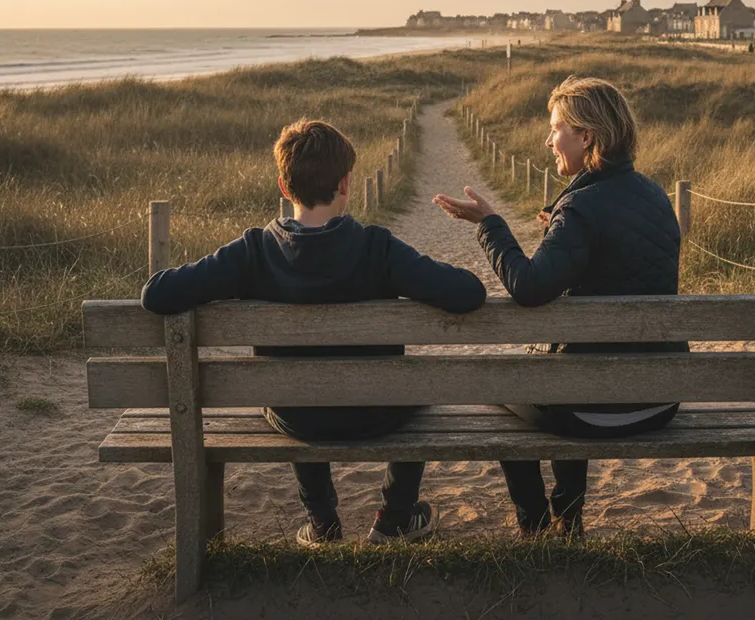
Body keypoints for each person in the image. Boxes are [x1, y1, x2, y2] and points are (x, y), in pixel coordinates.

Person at [141, 118, 486, 546]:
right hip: (379, 413)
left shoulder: (253, 252)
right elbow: (468, 292)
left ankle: (322, 521)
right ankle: (395, 517)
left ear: (285, 187)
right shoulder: (378, 248)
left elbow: (157, 294)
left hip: (296, 417)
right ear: (345, 184)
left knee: (293, 383)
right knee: (418, 383)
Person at [433, 76, 686, 537]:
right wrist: (563, 229)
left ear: (587, 136)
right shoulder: (654, 195)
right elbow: (626, 261)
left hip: (598, 408)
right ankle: (566, 519)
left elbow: (528, 287)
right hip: (660, 397)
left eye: (556, 129)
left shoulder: (581, 209)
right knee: (572, 376)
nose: (549, 140)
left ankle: (537, 523)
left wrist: (491, 223)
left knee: (503, 385)